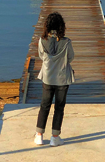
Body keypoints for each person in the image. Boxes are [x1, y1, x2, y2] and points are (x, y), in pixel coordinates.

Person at [34, 12, 74, 147]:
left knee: (44, 106)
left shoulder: (41, 40)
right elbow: (70, 58)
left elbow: (41, 55)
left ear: (47, 26)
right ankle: (55, 137)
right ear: (61, 26)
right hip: (62, 79)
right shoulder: (67, 42)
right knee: (59, 108)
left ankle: (39, 135)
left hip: (48, 77)